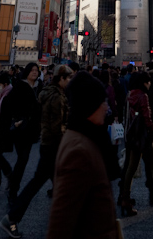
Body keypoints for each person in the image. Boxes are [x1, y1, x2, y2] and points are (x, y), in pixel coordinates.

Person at [46, 71, 120, 239]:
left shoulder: (89, 135)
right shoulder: (79, 152)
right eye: (103, 102)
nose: (106, 107)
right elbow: (60, 220)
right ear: (90, 105)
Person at [2, 65, 71, 239]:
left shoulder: (45, 91)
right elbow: (56, 125)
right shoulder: (55, 96)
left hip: (47, 142)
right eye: (68, 78)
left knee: (60, 184)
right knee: (38, 182)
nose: (69, 81)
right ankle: (12, 217)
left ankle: (69, 222)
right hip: (52, 144)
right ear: (61, 78)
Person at [116, 71, 153, 215]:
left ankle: (125, 198)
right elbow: (146, 117)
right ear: (144, 82)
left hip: (132, 137)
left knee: (130, 168)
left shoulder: (130, 95)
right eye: (148, 81)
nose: (149, 84)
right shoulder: (143, 96)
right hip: (143, 137)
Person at [0, 64, 41, 204]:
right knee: (22, 159)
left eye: (36, 70)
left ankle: (13, 188)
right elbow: (8, 104)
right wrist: (16, 119)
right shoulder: (20, 86)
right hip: (20, 129)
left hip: (31, 130)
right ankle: (13, 190)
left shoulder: (39, 87)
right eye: (32, 70)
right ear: (27, 72)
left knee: (23, 160)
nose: (34, 73)